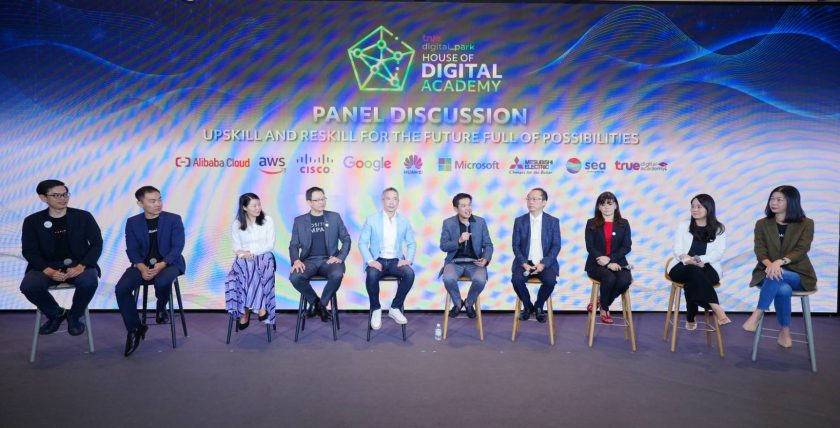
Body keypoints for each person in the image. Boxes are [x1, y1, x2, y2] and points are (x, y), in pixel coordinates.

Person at [20, 179, 102, 336]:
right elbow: (29, 251)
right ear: (43, 198)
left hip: (79, 264)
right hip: (46, 265)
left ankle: (74, 316)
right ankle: (56, 313)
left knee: (89, 282)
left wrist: (82, 266)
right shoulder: (32, 221)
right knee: (29, 286)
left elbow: (97, 244)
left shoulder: (83, 216)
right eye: (57, 195)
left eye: (65, 194)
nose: (63, 198)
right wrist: (48, 270)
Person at [742, 185, 817, 348]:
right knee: (782, 288)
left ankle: (757, 314)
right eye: (772, 199)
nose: (773, 203)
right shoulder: (762, 224)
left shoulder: (806, 223)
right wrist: (771, 265)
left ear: (791, 202)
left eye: (779, 200)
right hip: (768, 271)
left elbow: (802, 249)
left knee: (778, 274)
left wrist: (779, 263)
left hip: (798, 274)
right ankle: (784, 331)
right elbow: (760, 250)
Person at [115, 186, 186, 357]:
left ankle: (161, 306)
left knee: (162, 281)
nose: (158, 204)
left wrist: (162, 264)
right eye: (152, 201)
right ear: (140, 204)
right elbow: (132, 249)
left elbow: (177, 247)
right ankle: (135, 329)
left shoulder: (173, 219)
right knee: (121, 288)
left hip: (169, 263)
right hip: (142, 265)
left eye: (159, 199)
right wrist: (140, 267)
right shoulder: (133, 222)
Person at [289, 187, 351, 322]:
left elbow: (346, 239)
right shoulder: (299, 221)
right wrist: (296, 260)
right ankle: (317, 303)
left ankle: (321, 304)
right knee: (295, 277)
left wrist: (340, 257)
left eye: (323, 199)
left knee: (337, 274)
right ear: (309, 202)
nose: (321, 202)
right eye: (317, 200)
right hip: (308, 261)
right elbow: (294, 245)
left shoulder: (334, 217)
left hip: (329, 261)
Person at [668, 194, 730, 330]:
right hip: (682, 266)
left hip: (708, 267)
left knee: (693, 280)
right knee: (693, 271)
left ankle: (691, 316)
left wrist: (700, 260)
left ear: (709, 208)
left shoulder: (719, 229)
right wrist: (688, 260)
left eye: (699, 207)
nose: (694, 209)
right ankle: (715, 306)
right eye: (692, 206)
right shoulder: (683, 225)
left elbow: (718, 253)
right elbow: (677, 249)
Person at [358, 187, 416, 330]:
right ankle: (376, 309)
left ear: (398, 201)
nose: (391, 202)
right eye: (388, 199)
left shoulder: (404, 221)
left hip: (395, 260)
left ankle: (395, 307)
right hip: (377, 259)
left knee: (409, 274)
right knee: (372, 274)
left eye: (395, 199)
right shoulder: (371, 219)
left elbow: (411, 243)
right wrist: (370, 261)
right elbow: (362, 242)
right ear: (383, 200)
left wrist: (408, 259)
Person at [224, 193, 276, 330]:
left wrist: (251, 253)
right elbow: (236, 247)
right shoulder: (237, 224)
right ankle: (258, 306)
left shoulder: (267, 220)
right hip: (244, 259)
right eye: (254, 206)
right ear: (244, 208)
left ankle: (246, 311)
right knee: (241, 272)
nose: (258, 208)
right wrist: (245, 255)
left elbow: (269, 245)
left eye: (259, 205)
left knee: (254, 266)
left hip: (264, 257)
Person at [510, 188, 562, 323]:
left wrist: (543, 264)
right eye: (529, 198)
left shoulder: (553, 221)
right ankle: (528, 306)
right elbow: (515, 246)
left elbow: (556, 246)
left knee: (550, 281)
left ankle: (539, 306)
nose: (530, 202)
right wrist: (524, 263)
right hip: (525, 262)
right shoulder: (520, 221)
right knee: (516, 280)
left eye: (534, 199)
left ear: (544, 202)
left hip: (545, 263)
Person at [439, 193, 493, 319]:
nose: (468, 209)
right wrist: (459, 240)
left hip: (475, 262)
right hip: (454, 262)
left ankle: (469, 303)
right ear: (456, 208)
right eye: (463, 206)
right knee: (448, 279)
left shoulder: (480, 222)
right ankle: (458, 303)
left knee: (480, 280)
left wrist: (485, 258)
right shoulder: (448, 223)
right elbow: (443, 246)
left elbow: (488, 245)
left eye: (469, 205)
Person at [584, 192, 632, 324]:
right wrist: (606, 263)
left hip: (618, 262)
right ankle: (605, 309)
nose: (606, 207)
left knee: (624, 280)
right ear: (598, 207)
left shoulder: (624, 223)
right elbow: (590, 247)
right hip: (596, 262)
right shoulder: (591, 223)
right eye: (603, 204)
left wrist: (610, 259)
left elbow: (627, 246)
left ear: (615, 206)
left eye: (610, 204)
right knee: (609, 278)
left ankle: (601, 302)